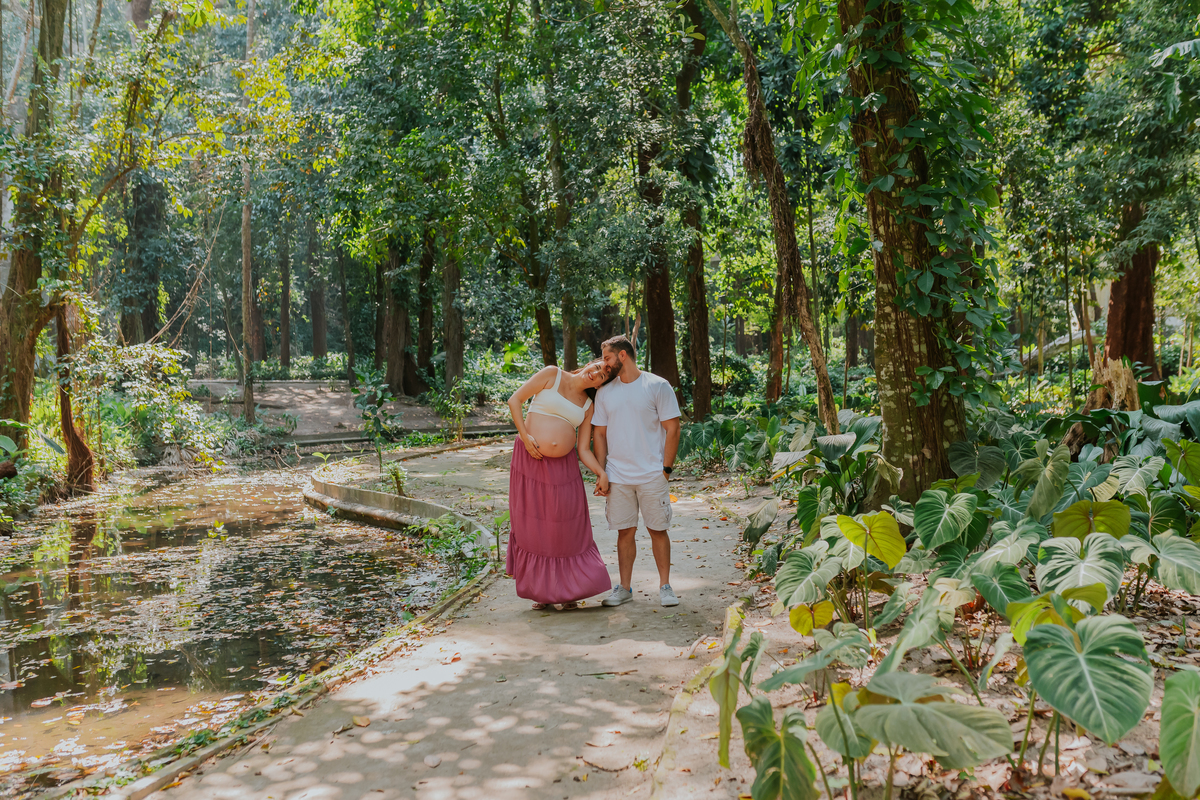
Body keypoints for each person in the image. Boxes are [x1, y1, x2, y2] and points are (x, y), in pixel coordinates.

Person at [506, 359, 616, 610]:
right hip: (530, 462)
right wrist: (525, 437)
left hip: (564, 470)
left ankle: (569, 593)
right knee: (534, 527)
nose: (596, 374)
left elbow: (583, 449)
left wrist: (601, 472)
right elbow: (515, 400)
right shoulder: (552, 374)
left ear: (600, 386)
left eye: (602, 376)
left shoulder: (588, 406)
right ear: (589, 364)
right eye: (597, 367)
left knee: (566, 529)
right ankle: (542, 593)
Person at [584, 335, 682, 608]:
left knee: (657, 530)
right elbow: (599, 435)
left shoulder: (657, 386)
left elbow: (672, 428)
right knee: (624, 533)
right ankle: (624, 588)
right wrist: (602, 473)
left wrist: (666, 470)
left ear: (622, 356)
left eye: (606, 358)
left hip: (652, 474)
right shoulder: (605, 392)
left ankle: (665, 586)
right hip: (618, 476)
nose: (603, 364)